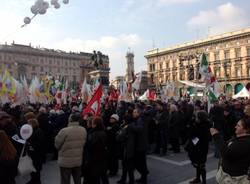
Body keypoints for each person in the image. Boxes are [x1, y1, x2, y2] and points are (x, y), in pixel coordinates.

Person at [210, 117, 250, 184]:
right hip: (228, 176)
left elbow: (226, 153)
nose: (235, 127)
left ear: (246, 129)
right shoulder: (240, 138)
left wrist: (216, 136)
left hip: (234, 179)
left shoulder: (245, 142)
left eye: (238, 126)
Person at [55, 113, 87, 184]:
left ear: (70, 120)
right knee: (77, 180)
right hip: (78, 160)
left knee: (65, 180)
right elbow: (83, 143)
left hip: (65, 161)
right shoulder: (83, 130)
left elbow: (57, 145)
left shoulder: (64, 131)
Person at [185, 111, 210, 184]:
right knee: (198, 165)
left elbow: (194, 135)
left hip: (200, 148)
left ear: (200, 118)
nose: (195, 118)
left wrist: (192, 127)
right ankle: (198, 178)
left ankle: (204, 181)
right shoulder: (198, 124)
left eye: (196, 117)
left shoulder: (203, 126)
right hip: (197, 147)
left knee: (201, 165)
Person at [84, 117, 109, 184]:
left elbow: (90, 146)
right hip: (102, 156)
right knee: (103, 175)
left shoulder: (93, 134)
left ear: (95, 124)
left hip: (94, 158)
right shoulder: (104, 131)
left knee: (96, 176)